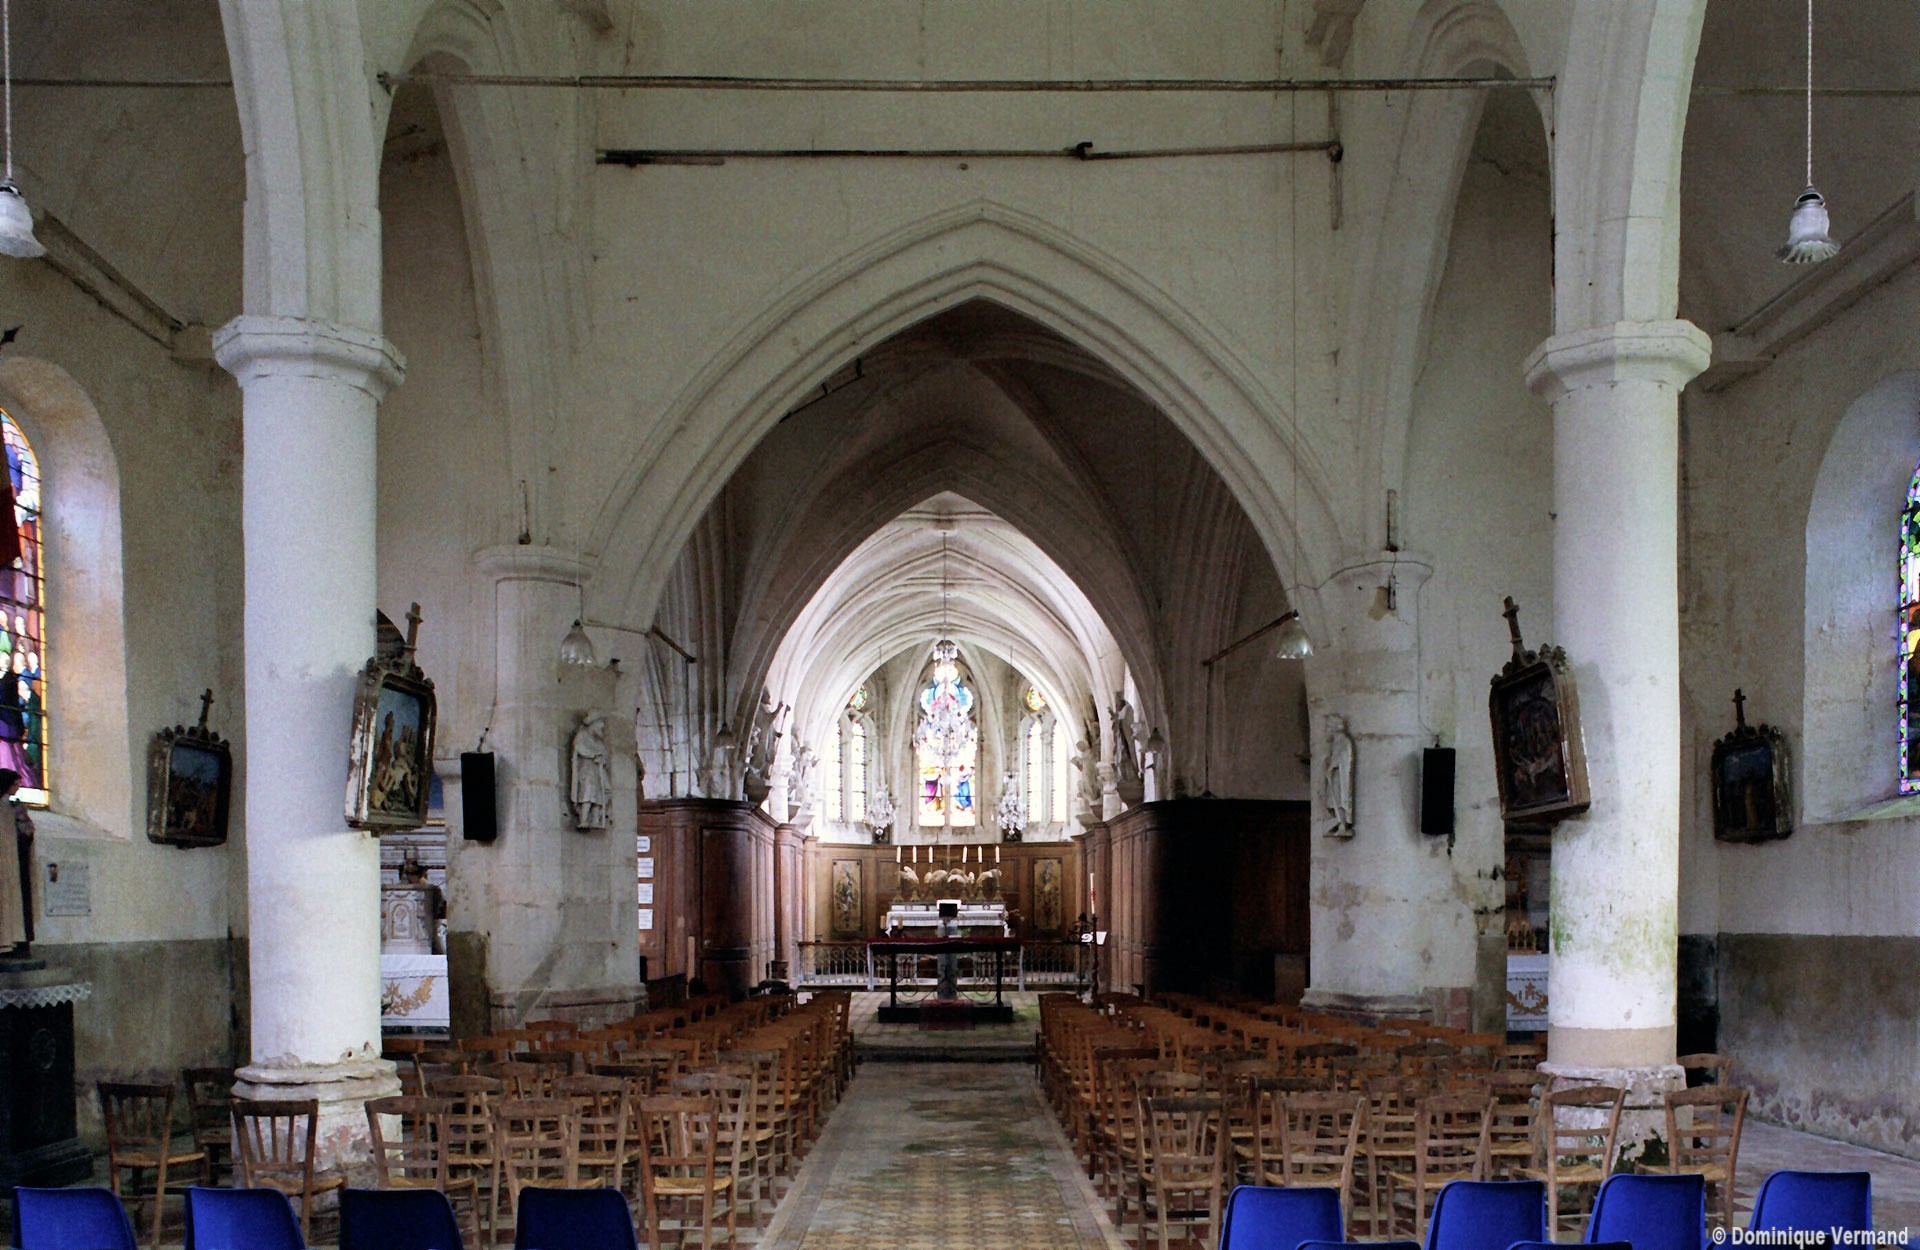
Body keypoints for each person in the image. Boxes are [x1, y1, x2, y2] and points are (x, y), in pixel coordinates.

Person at [0, 767, 31, 956]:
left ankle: (11, 941)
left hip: (11, 859)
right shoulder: (9, 806)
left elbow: (27, 831)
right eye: (15, 784)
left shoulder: (14, 806)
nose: (18, 787)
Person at [571, 714, 611, 829]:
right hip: (587, 771)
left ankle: (595, 820)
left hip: (598, 772)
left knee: (600, 795)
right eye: (600, 724)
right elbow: (579, 748)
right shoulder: (582, 735)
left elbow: (604, 754)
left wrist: (602, 759)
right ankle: (584, 819)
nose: (602, 727)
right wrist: (594, 755)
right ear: (594, 723)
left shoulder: (598, 741)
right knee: (587, 794)